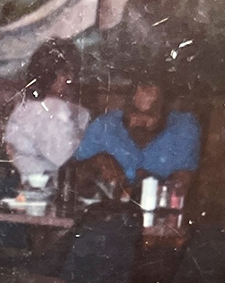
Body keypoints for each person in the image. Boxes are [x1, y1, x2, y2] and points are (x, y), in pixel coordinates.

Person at [73, 78, 201, 197]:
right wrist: (98, 161)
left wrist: (150, 183)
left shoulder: (183, 129)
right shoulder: (104, 126)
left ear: (165, 112)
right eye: (135, 112)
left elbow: (182, 186)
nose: (140, 121)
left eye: (150, 114)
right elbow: (74, 173)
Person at [4, 39, 90, 186]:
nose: (71, 78)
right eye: (64, 72)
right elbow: (62, 156)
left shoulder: (25, 107)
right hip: (37, 189)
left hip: (35, 187)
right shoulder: (46, 108)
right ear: (48, 74)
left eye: (72, 71)